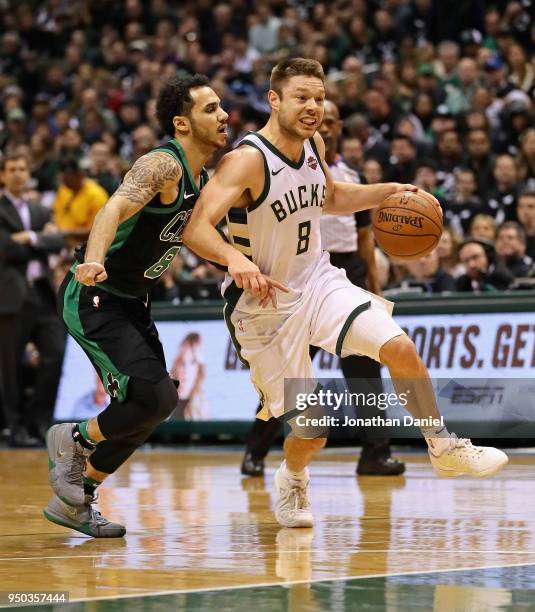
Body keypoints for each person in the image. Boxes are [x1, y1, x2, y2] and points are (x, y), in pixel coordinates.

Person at [184, 58, 509, 529]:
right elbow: (196, 228)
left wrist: (392, 191)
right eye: (302, 97)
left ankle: (442, 446)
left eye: (318, 97)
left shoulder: (314, 144)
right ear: (274, 100)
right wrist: (236, 260)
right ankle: (292, 477)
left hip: (318, 281)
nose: (313, 106)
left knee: (399, 347)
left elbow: (331, 199)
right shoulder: (246, 159)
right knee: (312, 431)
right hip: (265, 305)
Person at [44, 74, 229, 538]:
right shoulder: (162, 165)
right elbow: (111, 209)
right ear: (181, 124)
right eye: (211, 109)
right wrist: (92, 260)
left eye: (221, 106)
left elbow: (189, 235)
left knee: (160, 401)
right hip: (95, 296)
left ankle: (77, 502)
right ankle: (72, 438)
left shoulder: (200, 177)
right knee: (148, 396)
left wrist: (237, 265)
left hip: (133, 301)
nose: (224, 115)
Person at [240, 99, 405, 478]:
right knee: (291, 376)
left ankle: (375, 454)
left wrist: (373, 286)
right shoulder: (280, 166)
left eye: (330, 120)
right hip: (300, 275)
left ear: (339, 126)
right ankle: (256, 452)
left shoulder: (349, 175)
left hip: (346, 273)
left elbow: (365, 238)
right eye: (321, 120)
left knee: (366, 373)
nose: (324, 126)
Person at [0, 153, 66, 447]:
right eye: (12, 169)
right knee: (10, 367)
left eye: (23, 168)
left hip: (42, 293)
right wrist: (41, 239)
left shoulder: (39, 210)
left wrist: (29, 237)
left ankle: (37, 422)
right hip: (12, 296)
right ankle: (13, 426)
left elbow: (59, 241)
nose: (18, 173)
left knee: (55, 354)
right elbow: (6, 250)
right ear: (3, 175)